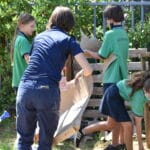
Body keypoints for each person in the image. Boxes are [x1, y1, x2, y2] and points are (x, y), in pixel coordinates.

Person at [15, 6, 93, 150]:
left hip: (25, 88)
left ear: (53, 19)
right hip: (46, 91)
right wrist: (79, 74)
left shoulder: (38, 37)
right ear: (69, 23)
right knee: (45, 142)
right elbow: (88, 70)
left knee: (23, 140)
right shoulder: (69, 40)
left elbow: (36, 62)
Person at [82, 5, 129, 149]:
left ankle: (82, 131)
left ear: (110, 19)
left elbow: (102, 55)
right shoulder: (124, 34)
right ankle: (116, 145)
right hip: (122, 79)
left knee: (115, 119)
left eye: (107, 19)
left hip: (111, 80)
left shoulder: (110, 35)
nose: (107, 22)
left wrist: (87, 52)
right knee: (116, 116)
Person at [75, 71, 150, 150]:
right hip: (113, 95)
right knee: (128, 125)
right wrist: (141, 146)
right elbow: (138, 123)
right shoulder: (139, 96)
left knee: (110, 125)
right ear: (145, 90)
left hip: (116, 94)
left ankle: (82, 131)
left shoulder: (145, 87)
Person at [11, 13, 35, 94]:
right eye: (31, 26)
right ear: (22, 26)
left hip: (18, 83)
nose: (33, 29)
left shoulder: (19, 38)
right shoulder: (22, 40)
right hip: (23, 83)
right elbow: (29, 61)